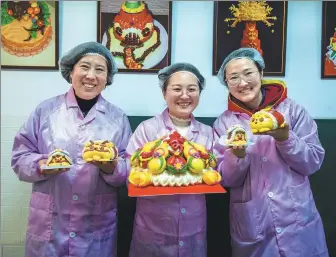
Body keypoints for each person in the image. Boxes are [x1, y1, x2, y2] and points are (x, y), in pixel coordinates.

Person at [11, 41, 132, 257]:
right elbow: (20, 158)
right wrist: (43, 165)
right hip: (50, 223)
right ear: (71, 71)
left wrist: (111, 166)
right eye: (85, 66)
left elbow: (129, 169)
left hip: (96, 224)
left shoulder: (118, 118)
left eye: (100, 69)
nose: (91, 76)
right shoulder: (45, 111)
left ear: (108, 78)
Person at [213, 47, 329, 257]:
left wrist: (285, 137)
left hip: (296, 217)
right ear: (227, 84)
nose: (242, 82)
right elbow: (227, 180)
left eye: (248, 73)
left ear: (261, 74)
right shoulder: (224, 123)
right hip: (253, 223)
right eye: (234, 78)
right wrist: (236, 156)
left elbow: (312, 162)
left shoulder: (292, 111)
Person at [126, 63, 213, 257]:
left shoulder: (207, 133)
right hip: (152, 226)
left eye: (192, 89)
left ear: (199, 93)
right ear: (164, 93)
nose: (184, 95)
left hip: (194, 225)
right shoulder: (147, 129)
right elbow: (129, 169)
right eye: (176, 89)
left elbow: (214, 172)